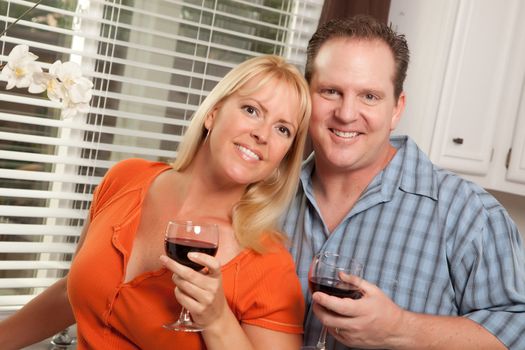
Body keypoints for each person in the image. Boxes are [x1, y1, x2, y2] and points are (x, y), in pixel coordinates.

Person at [0, 55, 312, 350]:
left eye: (282, 129)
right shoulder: (125, 178)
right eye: (251, 110)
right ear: (213, 113)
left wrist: (217, 320)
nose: (262, 134)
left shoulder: (269, 265)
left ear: (285, 154)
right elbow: (73, 293)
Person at [280, 15, 525, 350]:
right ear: (306, 96)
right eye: (331, 91)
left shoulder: (469, 214)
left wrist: (401, 329)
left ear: (397, 109)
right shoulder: (269, 196)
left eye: (369, 96)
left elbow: (518, 329)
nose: (347, 113)